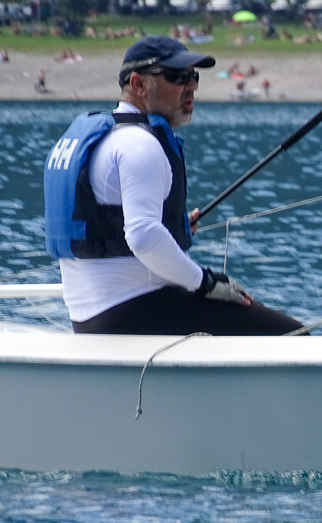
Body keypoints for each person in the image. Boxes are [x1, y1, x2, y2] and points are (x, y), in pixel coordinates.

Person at [43, 35, 304, 335]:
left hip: (89, 317)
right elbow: (143, 236)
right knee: (296, 336)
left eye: (194, 77)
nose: (191, 86)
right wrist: (206, 282)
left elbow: (115, 223)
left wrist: (171, 225)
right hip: (133, 311)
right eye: (177, 76)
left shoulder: (105, 138)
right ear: (139, 84)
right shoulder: (139, 143)